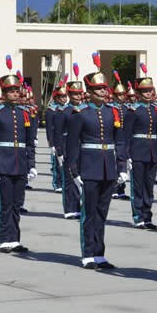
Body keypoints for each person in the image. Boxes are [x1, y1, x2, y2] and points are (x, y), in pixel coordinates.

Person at [67, 53, 127, 269]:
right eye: (99, 89)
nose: (104, 92)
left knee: (102, 213)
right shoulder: (80, 114)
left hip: (108, 168)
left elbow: (119, 142)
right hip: (89, 168)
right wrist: (74, 172)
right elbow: (72, 145)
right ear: (90, 92)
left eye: (104, 88)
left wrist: (121, 166)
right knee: (89, 213)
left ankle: (100, 253)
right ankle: (88, 253)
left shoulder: (113, 113)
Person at [0, 64, 36, 253]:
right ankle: (5, 239)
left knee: (17, 203)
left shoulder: (25, 114)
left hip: (20, 163)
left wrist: (31, 164)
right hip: (4, 164)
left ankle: (15, 239)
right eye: (11, 91)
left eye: (17, 90)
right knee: (5, 204)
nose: (15, 94)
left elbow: (30, 143)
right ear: (4, 93)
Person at [123, 71, 157, 229]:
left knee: (149, 185)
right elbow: (126, 135)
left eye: (150, 90)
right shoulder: (133, 111)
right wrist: (127, 155)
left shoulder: (156, 110)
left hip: (152, 151)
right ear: (138, 93)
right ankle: (138, 216)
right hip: (138, 151)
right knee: (138, 186)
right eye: (146, 91)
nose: (149, 93)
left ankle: (148, 216)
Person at [54, 68, 84, 219]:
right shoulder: (63, 111)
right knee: (69, 179)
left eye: (80, 93)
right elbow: (58, 134)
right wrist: (59, 151)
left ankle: (80, 206)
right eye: (75, 94)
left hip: (82, 147)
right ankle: (70, 208)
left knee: (81, 178)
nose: (78, 96)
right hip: (67, 146)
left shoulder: (84, 110)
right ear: (69, 95)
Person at [45, 81, 67, 193]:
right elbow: (49, 128)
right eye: (61, 97)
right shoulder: (51, 110)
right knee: (57, 163)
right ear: (56, 97)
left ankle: (64, 182)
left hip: (66, 139)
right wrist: (51, 143)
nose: (64, 99)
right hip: (56, 139)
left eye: (65, 96)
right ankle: (57, 183)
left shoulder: (68, 109)